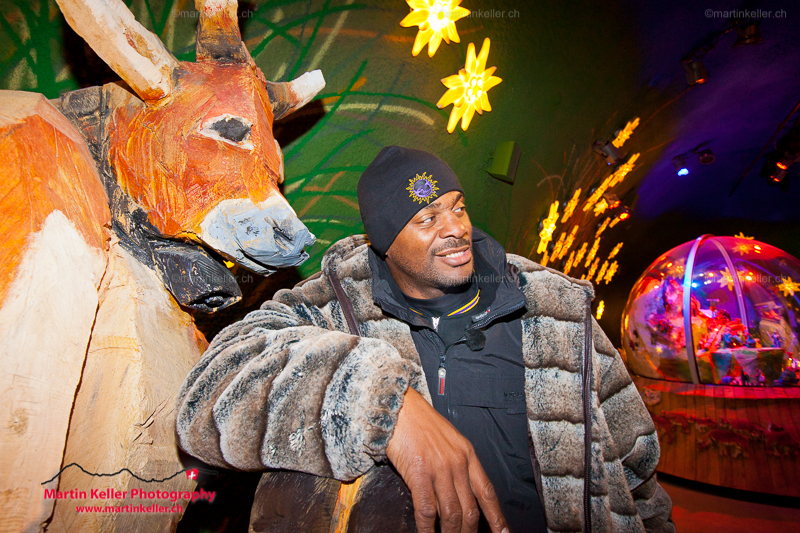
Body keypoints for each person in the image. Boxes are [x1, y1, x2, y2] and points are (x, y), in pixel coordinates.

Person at [176, 146, 675, 533]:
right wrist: (382, 405)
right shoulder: (333, 310)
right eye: (427, 218)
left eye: (457, 208)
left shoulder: (557, 309)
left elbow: (636, 464)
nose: (455, 228)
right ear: (385, 240)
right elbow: (207, 395)